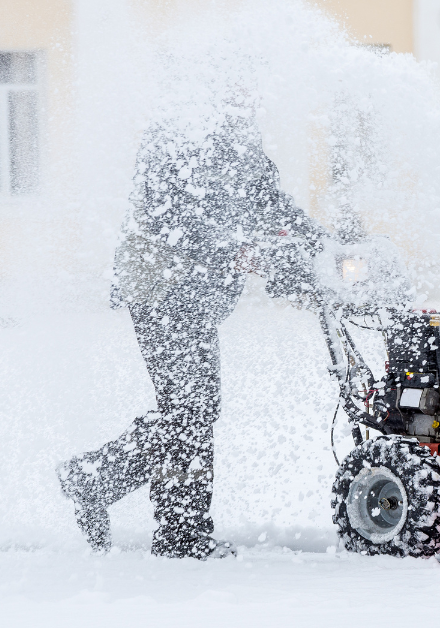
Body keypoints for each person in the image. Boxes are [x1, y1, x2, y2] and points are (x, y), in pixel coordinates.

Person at [56, 104, 326, 559]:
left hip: (197, 300)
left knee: (192, 410)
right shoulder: (174, 130)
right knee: (189, 411)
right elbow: (172, 213)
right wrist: (238, 245)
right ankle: (146, 512)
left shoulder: (240, 137)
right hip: (160, 289)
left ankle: (139, 506)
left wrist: (326, 245)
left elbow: (270, 203)